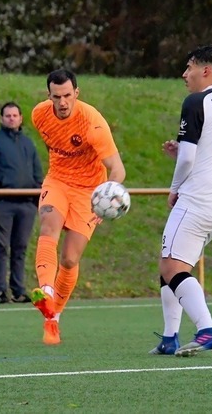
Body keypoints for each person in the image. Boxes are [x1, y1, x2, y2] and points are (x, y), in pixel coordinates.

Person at [149, 45, 212, 357]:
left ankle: (207, 329)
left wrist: (174, 188)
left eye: (189, 67)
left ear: (205, 70)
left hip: (197, 200)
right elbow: (207, 154)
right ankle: (169, 338)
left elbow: (188, 160)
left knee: (170, 265)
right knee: (174, 264)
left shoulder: (195, 101)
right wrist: (182, 152)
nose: (184, 74)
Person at [29, 69, 126, 345]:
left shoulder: (92, 123)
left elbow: (118, 169)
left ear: (77, 93)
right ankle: (46, 291)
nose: (62, 102)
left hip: (88, 192)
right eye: (56, 96)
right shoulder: (39, 115)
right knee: (48, 227)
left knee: (70, 259)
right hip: (58, 181)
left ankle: (53, 317)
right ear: (48, 95)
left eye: (67, 95)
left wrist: (105, 199)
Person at [0, 102, 43, 304]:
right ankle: (0, 290)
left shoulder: (28, 144)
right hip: (2, 203)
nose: (11, 119)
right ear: (1, 119)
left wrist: (37, 200)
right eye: (8, 116)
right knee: (1, 248)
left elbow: (37, 172)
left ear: (21, 118)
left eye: (15, 115)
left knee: (20, 247)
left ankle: (18, 290)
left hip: (26, 205)